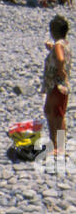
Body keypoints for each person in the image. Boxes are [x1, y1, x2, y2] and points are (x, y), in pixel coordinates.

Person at [42, 15, 70, 157]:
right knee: (55, 112)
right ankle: (58, 144)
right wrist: (52, 49)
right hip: (59, 85)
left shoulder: (58, 45)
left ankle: (57, 146)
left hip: (56, 84)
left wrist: (60, 70)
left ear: (54, 30)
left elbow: (60, 58)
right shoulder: (63, 43)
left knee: (54, 114)